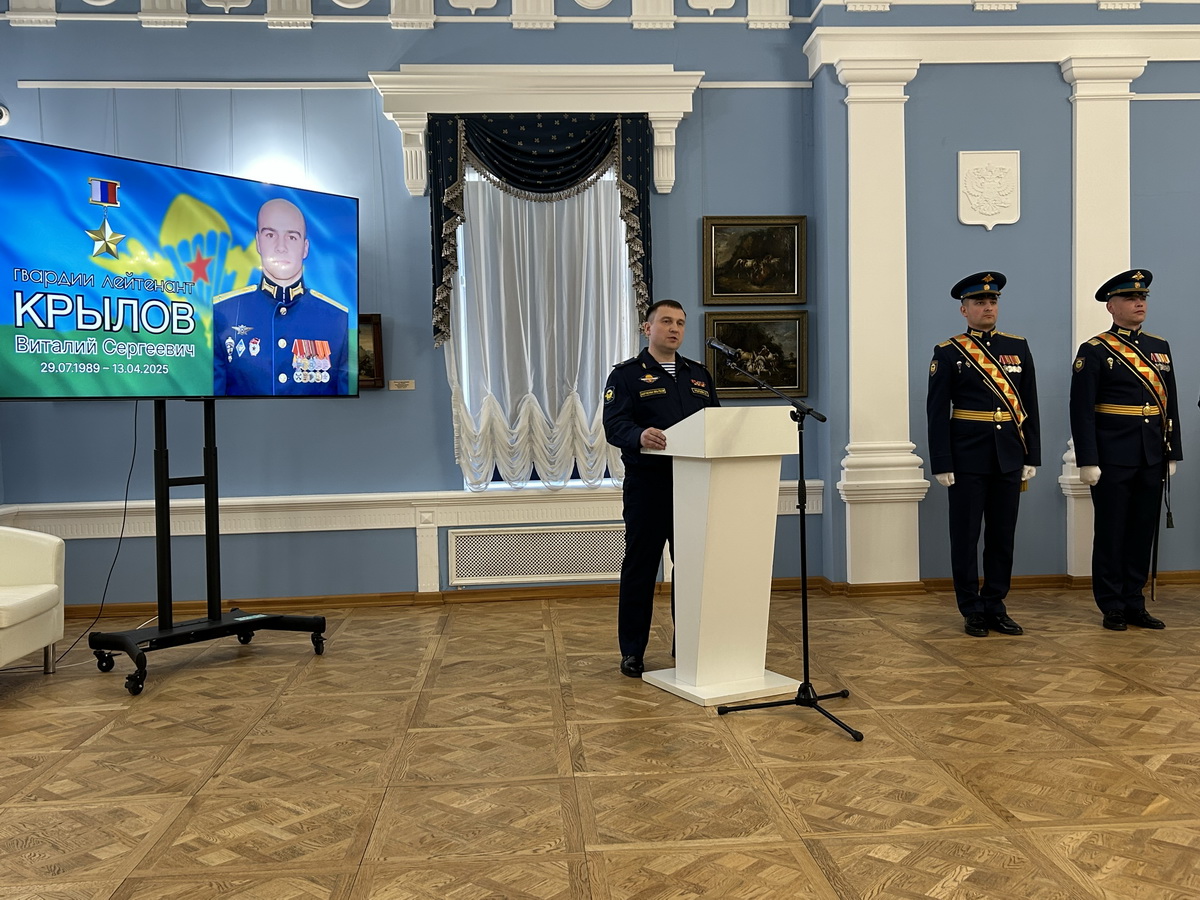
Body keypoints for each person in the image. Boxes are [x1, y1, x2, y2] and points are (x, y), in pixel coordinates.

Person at [603, 299, 719, 677]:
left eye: (680, 323)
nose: (674, 329)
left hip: (694, 485)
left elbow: (715, 423)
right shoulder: (626, 376)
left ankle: (687, 644)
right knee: (641, 568)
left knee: (692, 569)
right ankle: (632, 651)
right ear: (647, 328)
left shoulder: (698, 375)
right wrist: (639, 435)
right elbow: (614, 425)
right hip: (649, 486)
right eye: (666, 321)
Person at [927, 272, 1041, 637]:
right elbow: (937, 412)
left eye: (992, 301)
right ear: (964, 310)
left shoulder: (1018, 347)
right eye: (979, 302)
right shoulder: (949, 353)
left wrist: (1031, 455)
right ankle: (971, 608)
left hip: (1008, 454)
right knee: (965, 536)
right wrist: (942, 461)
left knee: (1002, 536)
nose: (988, 307)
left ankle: (995, 604)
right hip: (966, 457)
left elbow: (1029, 405)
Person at [1069, 269, 1180, 631]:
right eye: (1131, 298)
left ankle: (1135, 601)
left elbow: (1170, 405)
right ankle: (1112, 604)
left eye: (1142, 297)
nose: (1139, 303)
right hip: (1112, 456)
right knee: (1111, 532)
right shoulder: (1095, 350)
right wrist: (1088, 459)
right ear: (1111, 306)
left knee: (1142, 532)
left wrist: (1173, 451)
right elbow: (1081, 410)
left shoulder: (1159, 347)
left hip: (1151, 454)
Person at [213, 198, 350, 396]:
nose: (281, 247)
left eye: (292, 237)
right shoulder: (223, 311)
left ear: (305, 247)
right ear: (258, 242)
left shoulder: (337, 318)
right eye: (270, 235)